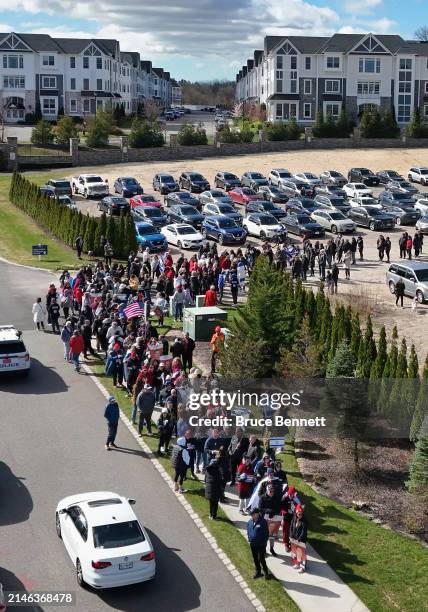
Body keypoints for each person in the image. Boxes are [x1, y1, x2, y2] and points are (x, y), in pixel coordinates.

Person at [246, 508, 271, 580]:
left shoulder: (263, 522)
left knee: (261, 559)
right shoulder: (250, 522)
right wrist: (249, 538)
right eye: (251, 514)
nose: (252, 516)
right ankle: (258, 572)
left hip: (261, 545)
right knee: (255, 559)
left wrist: (263, 543)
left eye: (253, 514)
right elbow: (248, 530)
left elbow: (266, 534)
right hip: (253, 544)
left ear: (257, 513)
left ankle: (266, 572)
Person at [259, 483, 282, 557]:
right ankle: (264, 550)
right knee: (265, 535)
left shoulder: (276, 497)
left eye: (273, 491)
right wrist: (268, 511)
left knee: (271, 535)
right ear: (267, 490)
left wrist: (274, 512)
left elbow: (279, 508)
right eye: (270, 491)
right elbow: (260, 509)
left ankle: (272, 549)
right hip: (265, 519)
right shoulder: (262, 497)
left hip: (273, 518)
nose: (272, 493)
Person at [205, 449, 223, 520]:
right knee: (215, 504)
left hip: (209, 490)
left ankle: (211, 515)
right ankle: (214, 516)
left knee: (211, 503)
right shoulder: (217, 471)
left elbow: (205, 479)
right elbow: (220, 481)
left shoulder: (207, 470)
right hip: (215, 490)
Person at [290, 504, 308, 574]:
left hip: (301, 541)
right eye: (298, 514)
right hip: (294, 540)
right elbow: (291, 527)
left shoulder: (304, 521)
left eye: (301, 514)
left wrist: (299, 539)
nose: (299, 515)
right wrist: (291, 536)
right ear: (296, 513)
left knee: (302, 554)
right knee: (296, 553)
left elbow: (303, 532)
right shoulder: (294, 519)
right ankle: (297, 564)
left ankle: (303, 567)